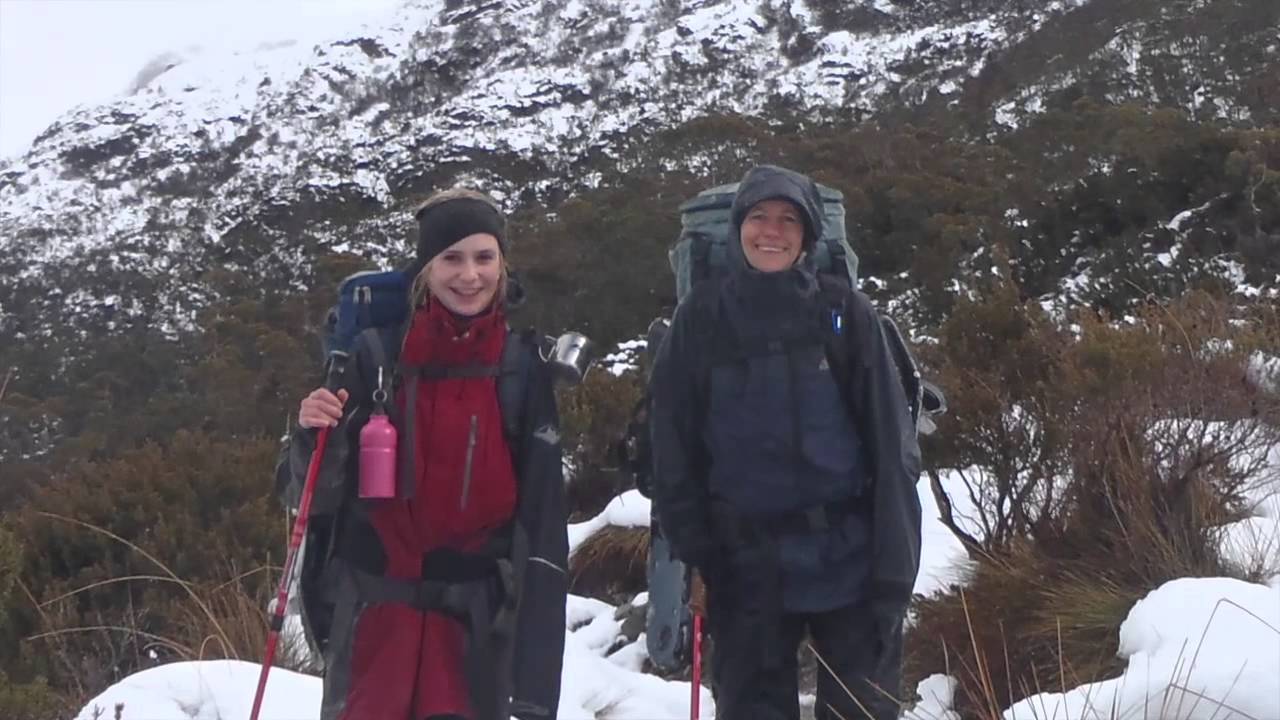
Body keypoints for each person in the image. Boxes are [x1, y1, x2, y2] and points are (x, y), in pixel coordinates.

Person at [278, 189, 568, 720]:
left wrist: (533, 689)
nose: (469, 275)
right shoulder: (374, 357)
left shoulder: (521, 370)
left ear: (503, 266)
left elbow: (544, 528)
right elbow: (312, 501)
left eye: (484, 258)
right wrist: (312, 435)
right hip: (373, 624)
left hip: (474, 633)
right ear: (425, 268)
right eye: (451, 258)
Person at [648, 165, 922, 719]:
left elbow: (892, 449)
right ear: (736, 229)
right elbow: (672, 450)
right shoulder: (699, 321)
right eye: (758, 217)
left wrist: (893, 573)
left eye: (788, 220)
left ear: (808, 236)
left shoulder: (846, 314)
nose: (771, 231)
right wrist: (702, 551)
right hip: (745, 569)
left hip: (849, 559)